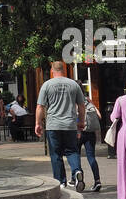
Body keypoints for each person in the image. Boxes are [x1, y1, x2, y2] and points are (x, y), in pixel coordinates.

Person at [35, 61, 87, 190]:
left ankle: (61, 182)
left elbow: (40, 106)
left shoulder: (46, 85)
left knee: (56, 154)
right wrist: (81, 121)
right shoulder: (73, 84)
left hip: (53, 125)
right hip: (70, 124)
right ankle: (76, 171)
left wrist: (38, 123)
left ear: (52, 70)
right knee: (72, 151)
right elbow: (81, 105)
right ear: (63, 70)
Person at [80, 94, 103, 192]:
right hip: (91, 133)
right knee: (91, 157)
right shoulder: (88, 100)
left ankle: (78, 179)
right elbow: (99, 116)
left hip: (78, 132)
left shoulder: (73, 100)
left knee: (75, 156)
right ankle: (97, 181)